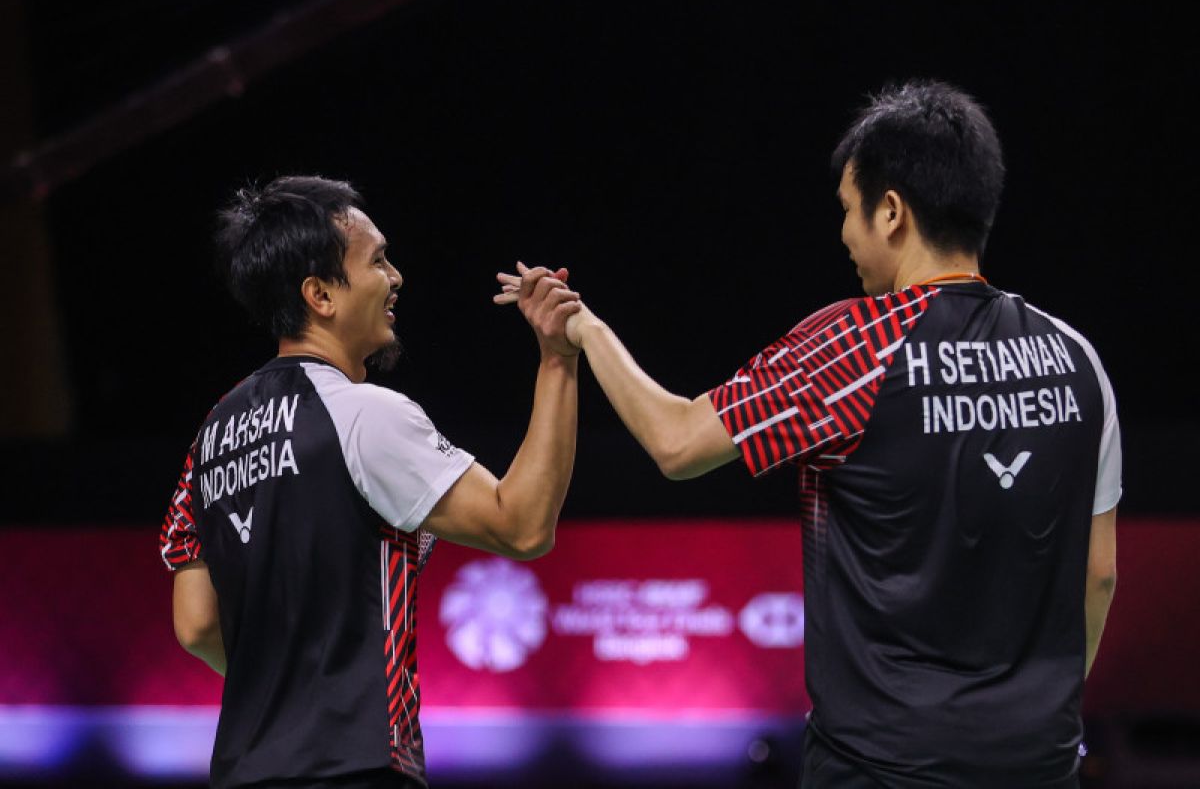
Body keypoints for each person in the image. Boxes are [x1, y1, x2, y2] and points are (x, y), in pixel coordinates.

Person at [498, 80, 1121, 787]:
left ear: (891, 212)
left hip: (879, 767)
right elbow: (1098, 574)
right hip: (1036, 764)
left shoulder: (856, 343)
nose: (845, 237)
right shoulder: (1075, 358)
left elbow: (677, 442)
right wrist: (1035, 721)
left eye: (848, 212)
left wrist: (582, 328)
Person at [160, 175, 581, 789]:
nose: (396, 276)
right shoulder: (362, 412)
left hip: (244, 769)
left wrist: (287, 697)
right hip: (355, 762)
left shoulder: (213, 433)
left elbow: (196, 624)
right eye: (377, 259)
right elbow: (521, 524)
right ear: (321, 295)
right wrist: (557, 360)